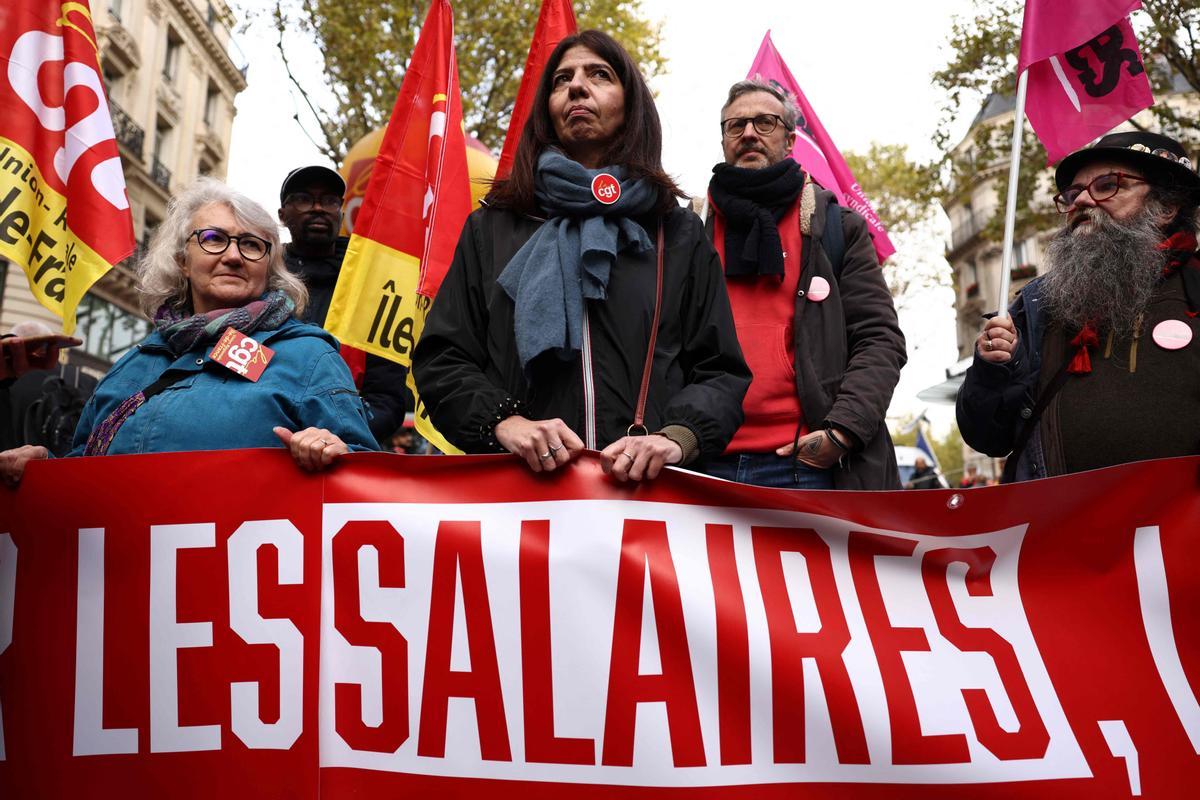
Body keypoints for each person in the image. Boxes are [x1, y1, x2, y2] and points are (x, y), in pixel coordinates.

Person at [413, 30, 750, 482]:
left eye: (600, 75)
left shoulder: (678, 231)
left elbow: (720, 371)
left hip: (647, 498)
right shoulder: (492, 227)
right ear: (547, 113)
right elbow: (443, 359)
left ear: (631, 104)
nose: (576, 86)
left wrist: (676, 436)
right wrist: (505, 423)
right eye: (561, 79)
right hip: (522, 500)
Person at [0, 178, 379, 485]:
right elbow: (86, 472)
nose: (233, 255)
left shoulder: (308, 358)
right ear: (183, 260)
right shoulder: (133, 364)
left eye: (251, 245)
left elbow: (367, 478)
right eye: (213, 239)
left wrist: (336, 453)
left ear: (269, 266)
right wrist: (44, 470)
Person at [695, 78, 906, 489]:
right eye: (735, 126)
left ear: (790, 141)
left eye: (765, 122)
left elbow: (879, 337)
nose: (750, 133)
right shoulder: (690, 232)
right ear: (723, 140)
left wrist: (841, 431)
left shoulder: (837, 227)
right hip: (705, 467)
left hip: (808, 466)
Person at [957, 131, 1200, 482]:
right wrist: (994, 370)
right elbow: (987, 436)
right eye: (1073, 193)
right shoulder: (1037, 305)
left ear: (1166, 207)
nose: (1082, 200)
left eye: (1107, 185)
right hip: (1063, 530)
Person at [278, 165, 410, 443]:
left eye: (329, 200)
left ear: (340, 212)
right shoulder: (257, 280)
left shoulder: (372, 285)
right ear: (282, 215)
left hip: (344, 454)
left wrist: (337, 435)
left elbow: (388, 397)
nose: (318, 208)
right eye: (303, 198)